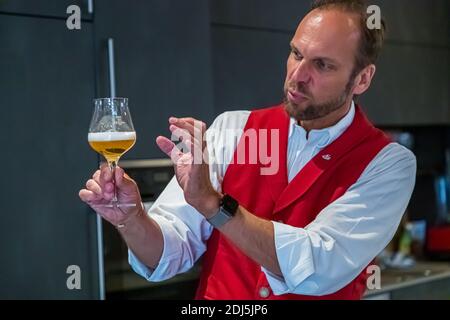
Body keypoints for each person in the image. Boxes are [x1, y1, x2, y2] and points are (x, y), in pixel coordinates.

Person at [79, 0, 416, 300]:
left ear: (362, 79)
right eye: (296, 54)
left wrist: (214, 204)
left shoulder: (387, 164)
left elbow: (318, 264)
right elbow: (169, 252)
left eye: (322, 65)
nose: (297, 76)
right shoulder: (233, 129)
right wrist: (132, 219)